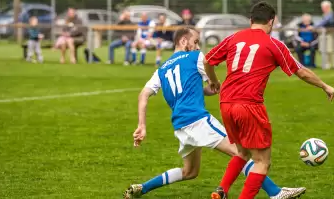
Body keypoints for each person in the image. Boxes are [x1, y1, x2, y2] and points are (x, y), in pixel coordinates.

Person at [123, 26, 306, 199]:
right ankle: (275, 192)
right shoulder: (195, 57)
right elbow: (208, 65)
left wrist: (142, 125)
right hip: (198, 120)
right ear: (184, 41)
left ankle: (142, 188)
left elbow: (143, 95)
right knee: (241, 153)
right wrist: (215, 82)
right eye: (195, 42)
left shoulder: (161, 69)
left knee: (190, 172)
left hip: (180, 125)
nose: (197, 46)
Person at [203, 1, 334, 199]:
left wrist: (213, 81)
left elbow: (207, 60)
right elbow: (302, 72)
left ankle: (221, 191)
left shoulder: (233, 37)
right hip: (248, 105)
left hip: (226, 103)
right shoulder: (274, 44)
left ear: (250, 20)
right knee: (262, 161)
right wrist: (325, 85)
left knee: (242, 153)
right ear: (271, 22)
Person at [311, 0, 334, 70]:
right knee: (327, 50)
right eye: (322, 7)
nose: (323, 9)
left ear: (328, 7)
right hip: (326, 35)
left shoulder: (331, 14)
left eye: (324, 7)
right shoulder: (324, 15)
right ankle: (327, 64)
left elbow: (323, 22)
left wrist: (314, 27)